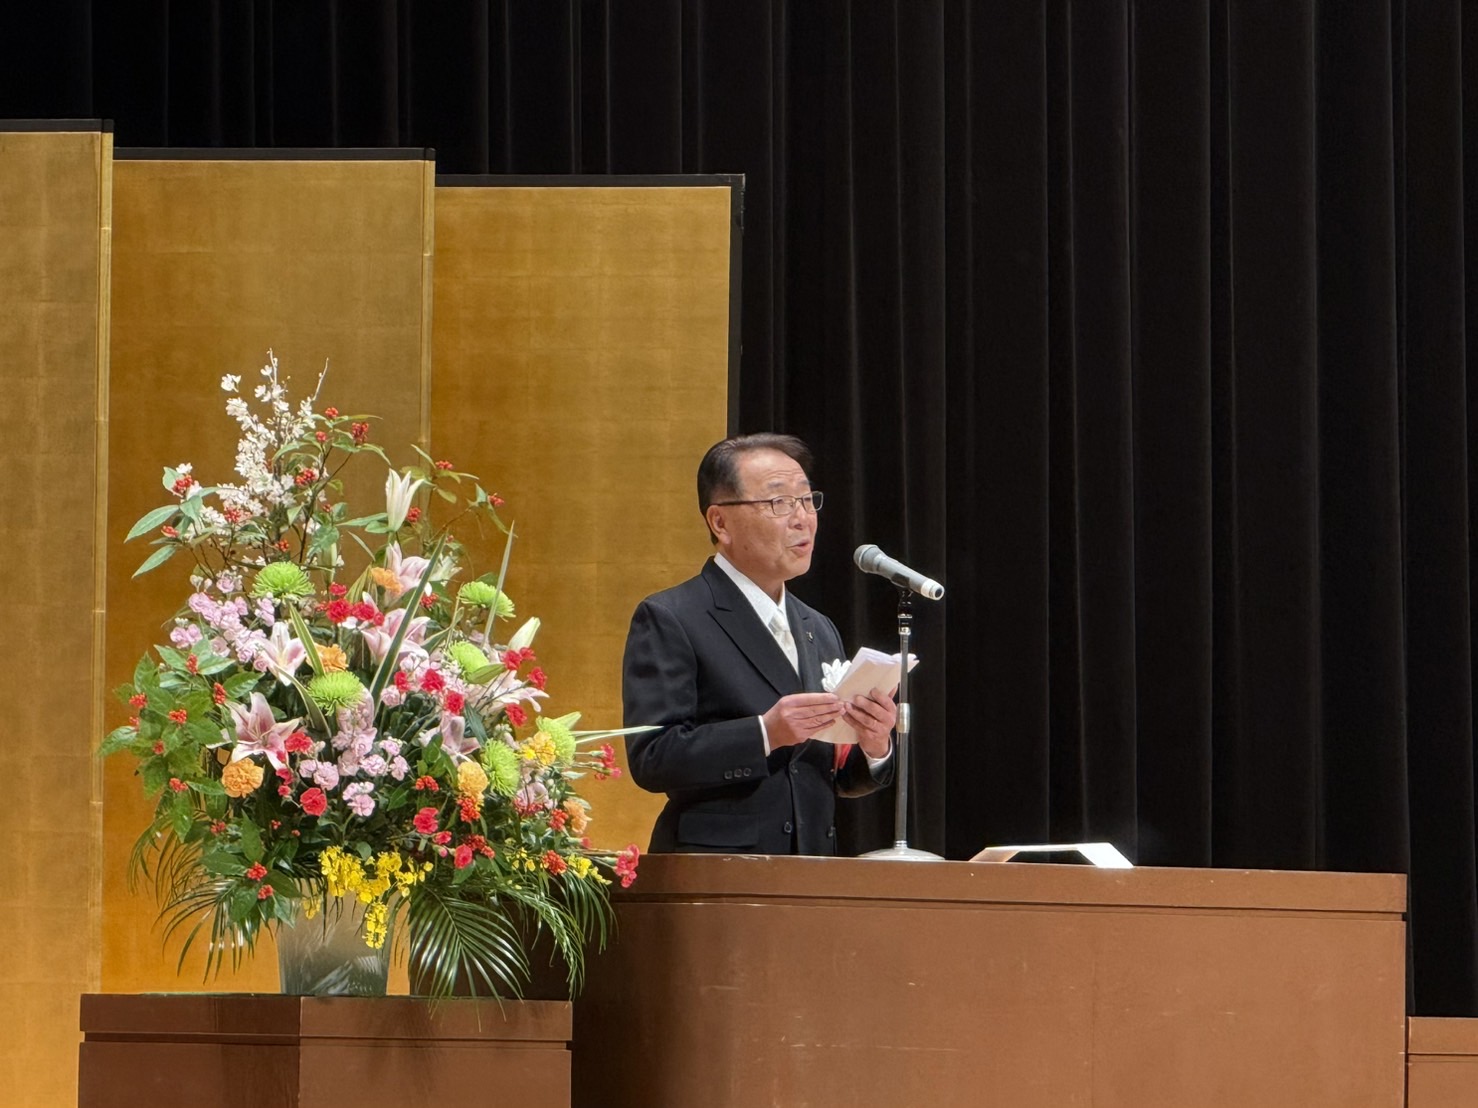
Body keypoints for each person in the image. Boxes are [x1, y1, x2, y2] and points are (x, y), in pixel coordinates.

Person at [622, 432, 896, 854]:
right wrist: (765, 733)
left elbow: (831, 776)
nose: (802, 518)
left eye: (807, 500)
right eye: (779, 503)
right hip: (718, 875)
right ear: (720, 522)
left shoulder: (817, 626)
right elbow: (653, 757)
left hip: (811, 874)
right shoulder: (672, 616)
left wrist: (874, 745)